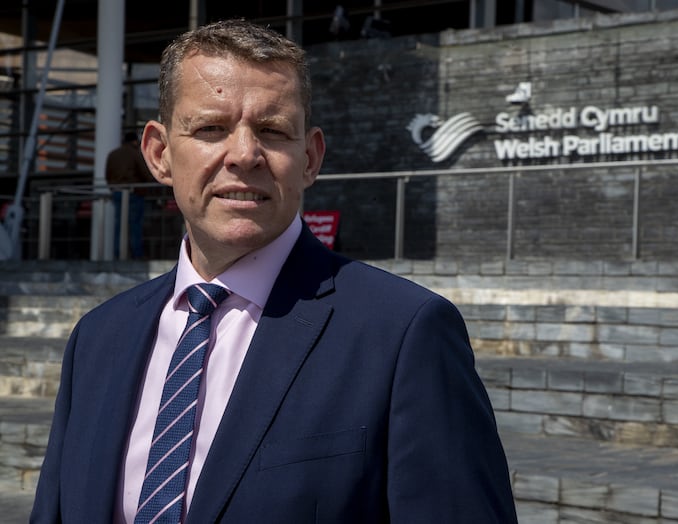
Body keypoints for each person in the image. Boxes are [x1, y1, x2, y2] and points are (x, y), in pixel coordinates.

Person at [31, 19, 518, 524]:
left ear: (309, 158)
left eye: (272, 130)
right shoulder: (98, 337)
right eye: (211, 128)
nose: (244, 154)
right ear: (159, 154)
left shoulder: (403, 334)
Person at [105, 131, 152, 259]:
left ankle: (117, 254)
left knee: (119, 225)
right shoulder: (135, 154)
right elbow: (145, 173)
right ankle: (136, 255)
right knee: (135, 225)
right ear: (134, 141)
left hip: (117, 193)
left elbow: (107, 175)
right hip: (134, 193)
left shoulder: (113, 155)